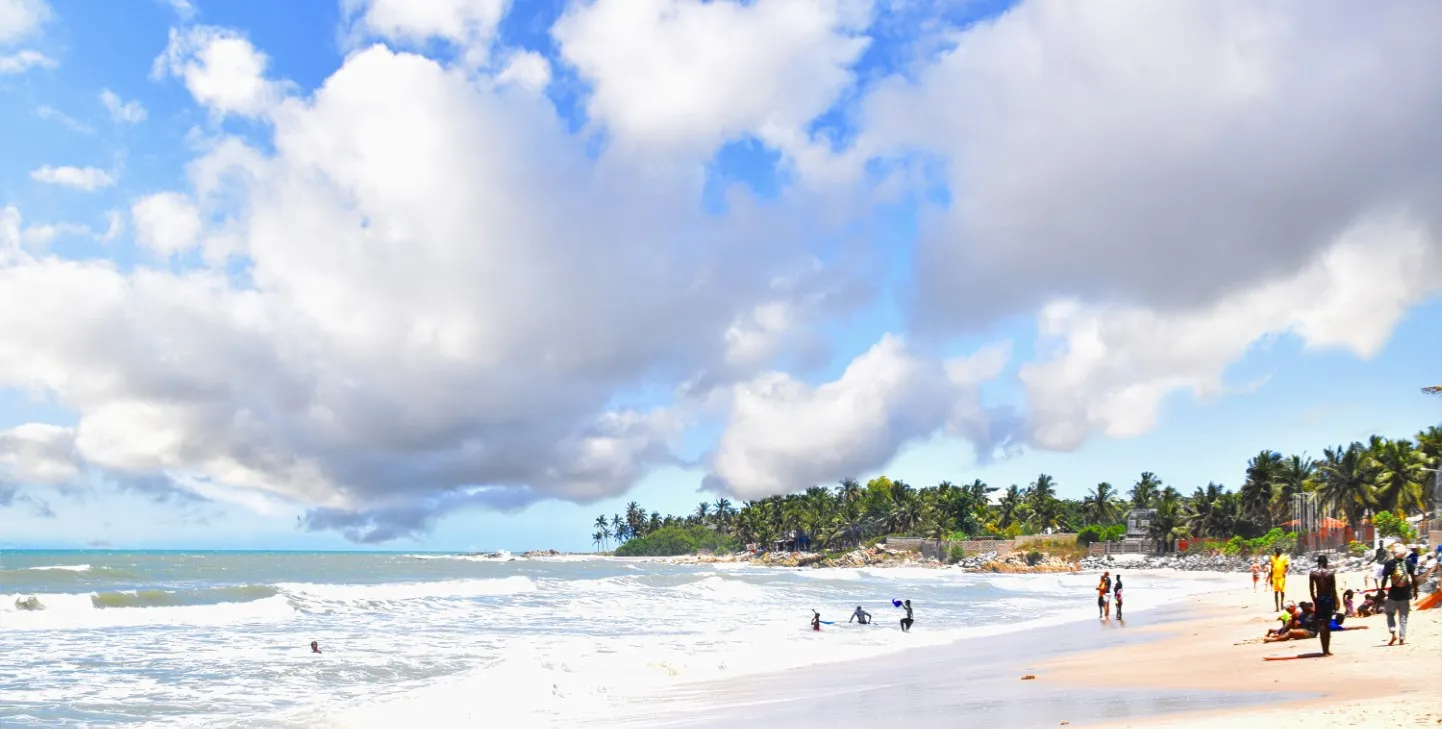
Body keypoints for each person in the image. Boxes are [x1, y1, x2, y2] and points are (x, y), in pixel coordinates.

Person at [1377, 542, 1415, 646]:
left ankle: (1393, 631)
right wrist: (1415, 590)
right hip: (1405, 594)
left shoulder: (1389, 564)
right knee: (1403, 617)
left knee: (1390, 614)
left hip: (1393, 594)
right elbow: (1413, 578)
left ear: (1394, 553)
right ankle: (1402, 637)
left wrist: (1381, 590)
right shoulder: (1408, 563)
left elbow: (1384, 578)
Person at [1309, 554, 1338, 656]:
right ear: (1326, 563)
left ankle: (1324, 650)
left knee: (1322, 623)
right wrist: (1335, 604)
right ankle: (1327, 650)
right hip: (1328, 599)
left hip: (1320, 599)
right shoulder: (1330, 574)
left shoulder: (1313, 574)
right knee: (1327, 624)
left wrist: (1315, 601)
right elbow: (1333, 590)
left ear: (1318, 563)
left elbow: (1312, 591)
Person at [1270, 547, 1290, 612]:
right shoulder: (1272, 558)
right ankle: (1277, 607)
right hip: (1274, 577)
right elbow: (1271, 568)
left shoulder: (1284, 558)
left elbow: (1287, 566)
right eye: (1276, 550)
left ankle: (1281, 603)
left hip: (1281, 577)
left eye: (1279, 550)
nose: (1278, 552)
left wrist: (1285, 571)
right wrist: (1270, 578)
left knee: (1282, 592)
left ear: (1281, 551)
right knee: (1275, 592)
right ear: (1275, 551)